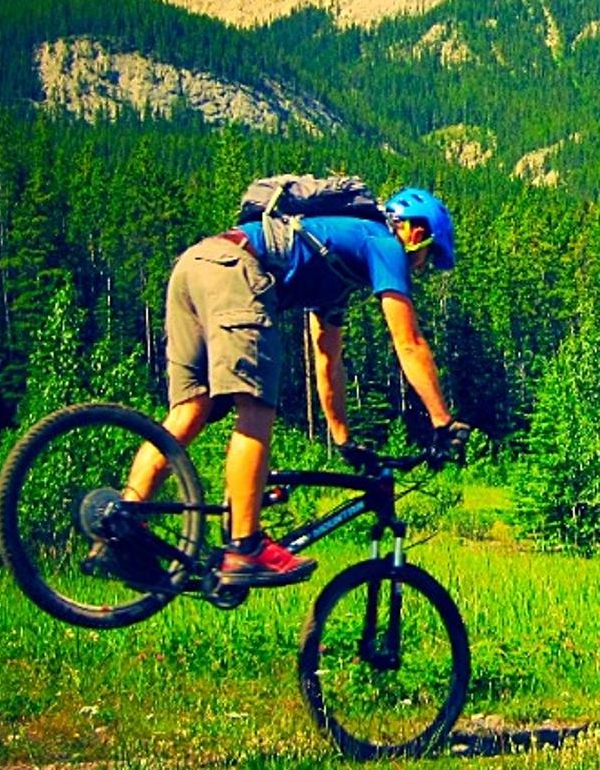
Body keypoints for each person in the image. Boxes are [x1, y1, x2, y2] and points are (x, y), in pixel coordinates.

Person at [119, 186, 469, 587]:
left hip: (195, 265)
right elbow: (408, 341)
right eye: (427, 255)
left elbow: (327, 359)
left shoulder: (336, 269)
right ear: (414, 231)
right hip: (235, 270)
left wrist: (343, 439)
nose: (421, 268)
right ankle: (245, 546)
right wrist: (443, 422)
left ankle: (123, 525)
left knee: (189, 411)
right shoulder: (383, 242)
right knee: (255, 406)